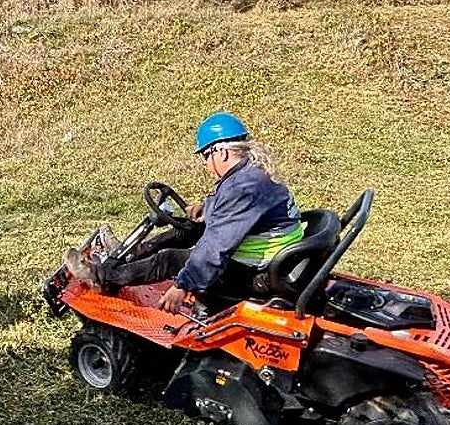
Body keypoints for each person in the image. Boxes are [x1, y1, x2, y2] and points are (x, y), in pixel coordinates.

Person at [83, 112, 302, 314]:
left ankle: (102, 277)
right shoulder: (251, 173)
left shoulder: (243, 189)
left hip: (258, 275)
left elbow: (216, 248)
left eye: (206, 157)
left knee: (170, 259)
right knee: (188, 229)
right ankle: (133, 254)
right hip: (276, 262)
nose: (206, 165)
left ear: (222, 152)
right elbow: (236, 212)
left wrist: (183, 285)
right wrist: (206, 209)